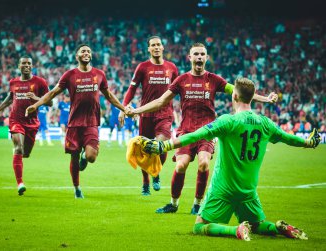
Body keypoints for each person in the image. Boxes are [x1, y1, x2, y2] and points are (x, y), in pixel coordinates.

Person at [139, 77, 320, 241]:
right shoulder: (266, 123)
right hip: (248, 190)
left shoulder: (228, 121)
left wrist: (164, 146)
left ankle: (235, 231)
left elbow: (195, 135)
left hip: (223, 188)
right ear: (251, 98)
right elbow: (289, 138)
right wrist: (309, 142)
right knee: (257, 224)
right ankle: (278, 227)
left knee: (199, 226)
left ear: (234, 96)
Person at [127, 43, 278, 214]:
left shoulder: (214, 80)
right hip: (186, 131)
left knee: (204, 163)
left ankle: (197, 205)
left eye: (202, 54)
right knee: (181, 165)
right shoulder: (182, 80)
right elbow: (161, 101)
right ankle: (173, 204)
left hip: (207, 131)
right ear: (189, 58)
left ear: (206, 58)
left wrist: (266, 99)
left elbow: (240, 93)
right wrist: (136, 111)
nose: (199, 57)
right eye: (196, 54)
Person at [25, 44, 127, 199]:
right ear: (77, 56)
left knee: (91, 156)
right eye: (83, 51)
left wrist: (123, 108)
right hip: (74, 123)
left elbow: (109, 95)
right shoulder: (69, 75)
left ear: (91, 56)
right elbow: (52, 93)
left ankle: (85, 158)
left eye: (88, 51)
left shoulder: (99, 74)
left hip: (92, 122)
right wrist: (36, 105)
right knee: (73, 157)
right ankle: (77, 188)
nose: (86, 53)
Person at [118, 35, 179, 196]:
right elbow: (132, 89)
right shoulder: (142, 67)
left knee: (161, 145)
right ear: (149, 49)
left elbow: (179, 90)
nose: (156, 47)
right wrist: (124, 107)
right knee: (144, 150)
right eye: (153, 45)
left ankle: (156, 172)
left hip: (165, 114)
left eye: (159, 44)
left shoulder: (172, 68)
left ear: (163, 47)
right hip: (146, 114)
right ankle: (146, 182)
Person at [0, 55, 51, 195]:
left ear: (32, 65)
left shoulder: (40, 82)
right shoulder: (13, 82)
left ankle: (18, 157)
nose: (26, 65)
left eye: (29, 63)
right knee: (18, 147)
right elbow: (10, 98)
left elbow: (50, 102)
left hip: (31, 123)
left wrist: (36, 99)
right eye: (23, 63)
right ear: (19, 66)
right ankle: (20, 183)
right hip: (16, 120)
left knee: (25, 153)